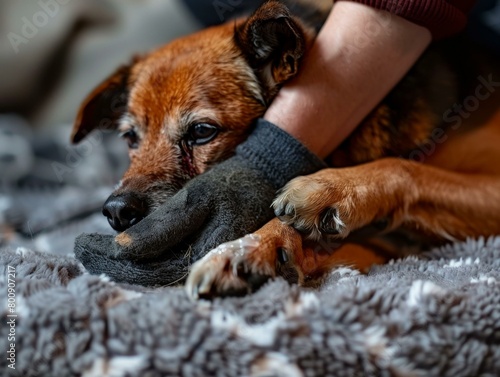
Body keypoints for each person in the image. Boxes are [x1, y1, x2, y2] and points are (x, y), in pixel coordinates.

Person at [74, 0, 480, 285]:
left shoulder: (450, 107)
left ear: (281, 67)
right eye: (133, 136)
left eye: (200, 132)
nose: (126, 195)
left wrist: (392, 182)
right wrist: (275, 238)